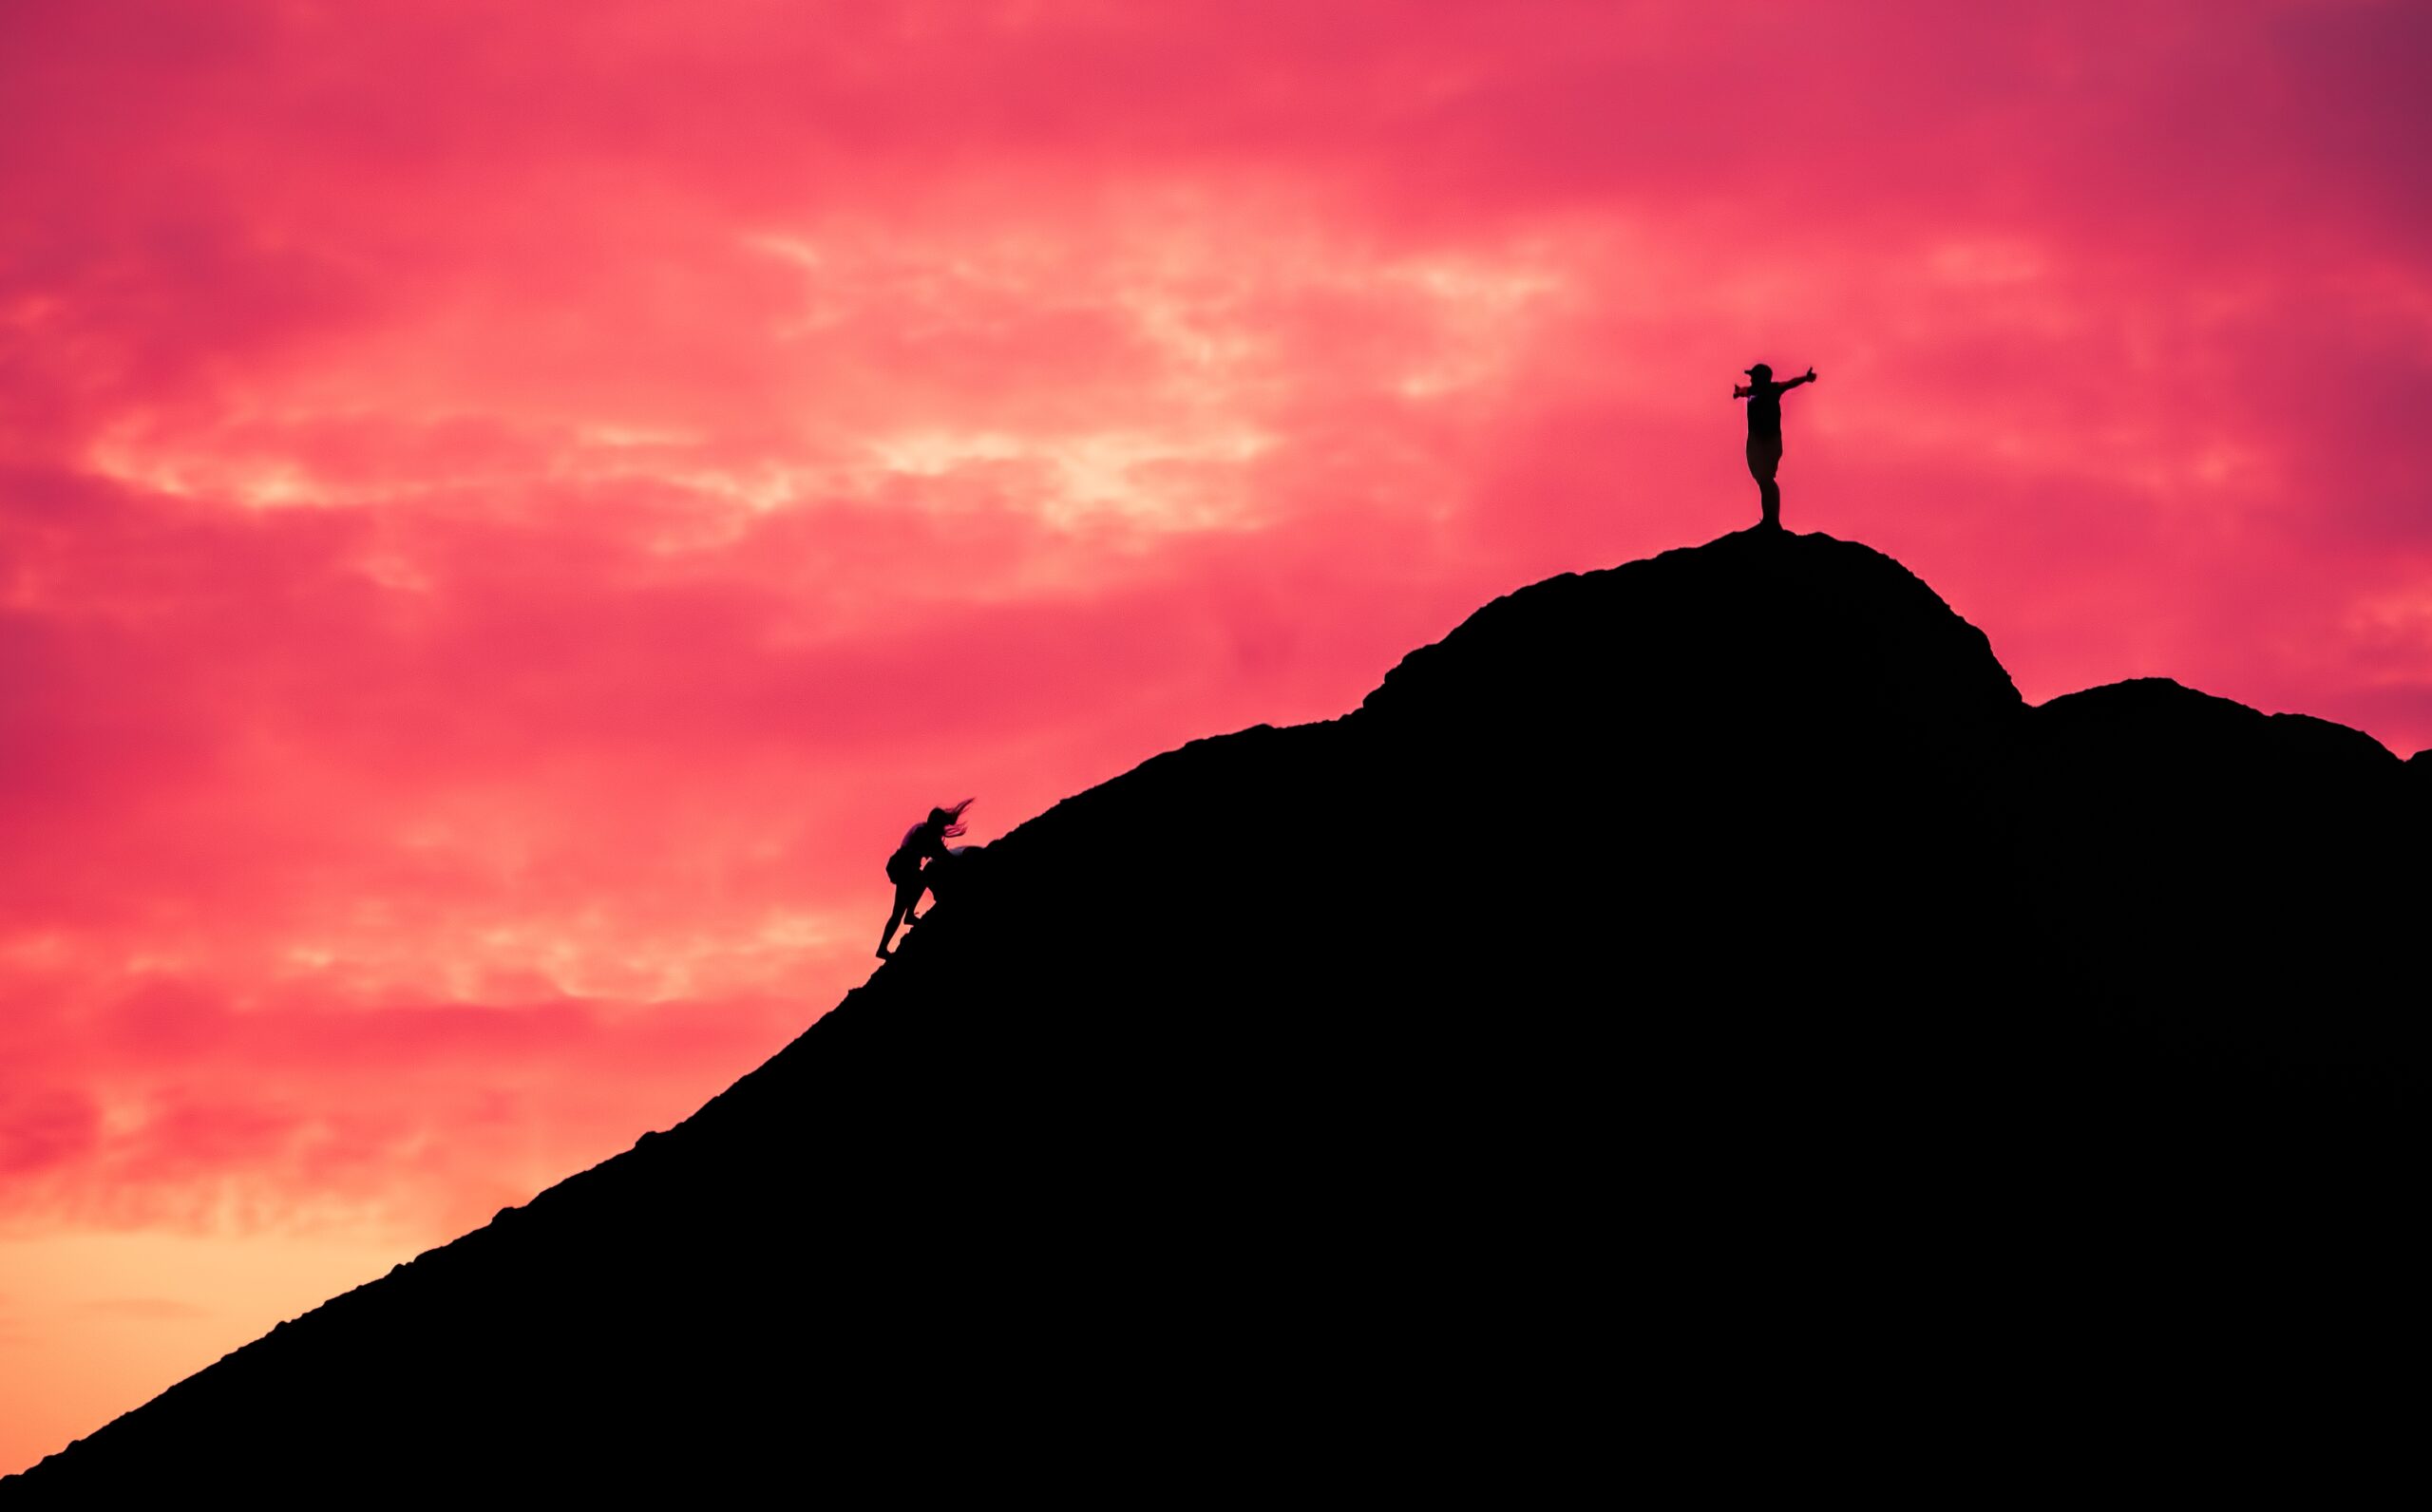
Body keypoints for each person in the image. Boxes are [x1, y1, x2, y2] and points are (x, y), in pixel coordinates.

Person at [876, 799, 974, 959]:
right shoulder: (924, 833)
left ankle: (883, 947)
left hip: (905, 869)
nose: (942, 829)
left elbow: (940, 855)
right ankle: (899, 928)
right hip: (904, 869)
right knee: (922, 879)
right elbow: (944, 857)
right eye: (941, 825)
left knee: (898, 911)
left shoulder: (923, 829)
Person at [1732, 362, 1816, 530]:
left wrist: (1806, 378)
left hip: (1770, 441)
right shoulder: (1751, 391)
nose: (1751, 379)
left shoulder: (1772, 389)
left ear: (1761, 378)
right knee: (1763, 480)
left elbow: (1790, 383)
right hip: (1754, 443)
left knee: (1766, 479)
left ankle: (1771, 521)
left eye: (1753, 376)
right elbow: (1742, 391)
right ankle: (1769, 519)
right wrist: (1738, 392)